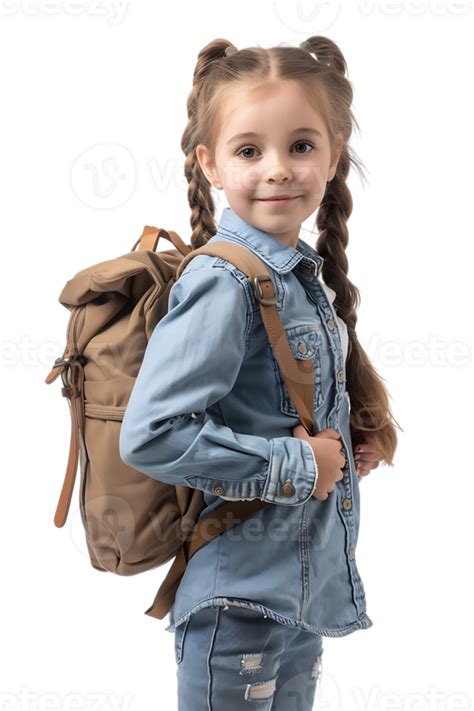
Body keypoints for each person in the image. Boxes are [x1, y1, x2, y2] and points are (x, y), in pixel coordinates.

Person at [119, 34, 399, 711]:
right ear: (210, 164)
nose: (278, 169)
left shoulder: (299, 276)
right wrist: (301, 466)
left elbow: (278, 407)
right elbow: (153, 434)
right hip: (237, 598)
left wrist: (348, 443)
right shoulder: (224, 282)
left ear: (333, 155)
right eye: (250, 151)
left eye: (301, 146)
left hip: (296, 591)